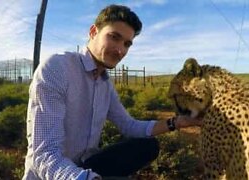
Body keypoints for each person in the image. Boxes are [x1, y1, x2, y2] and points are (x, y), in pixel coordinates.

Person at [23, 4, 201, 180]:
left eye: (127, 44)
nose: (120, 50)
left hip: (84, 165)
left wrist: (178, 122)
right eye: (114, 37)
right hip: (51, 174)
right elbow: (44, 154)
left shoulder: (104, 84)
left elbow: (129, 126)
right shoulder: (58, 68)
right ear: (93, 32)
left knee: (148, 145)